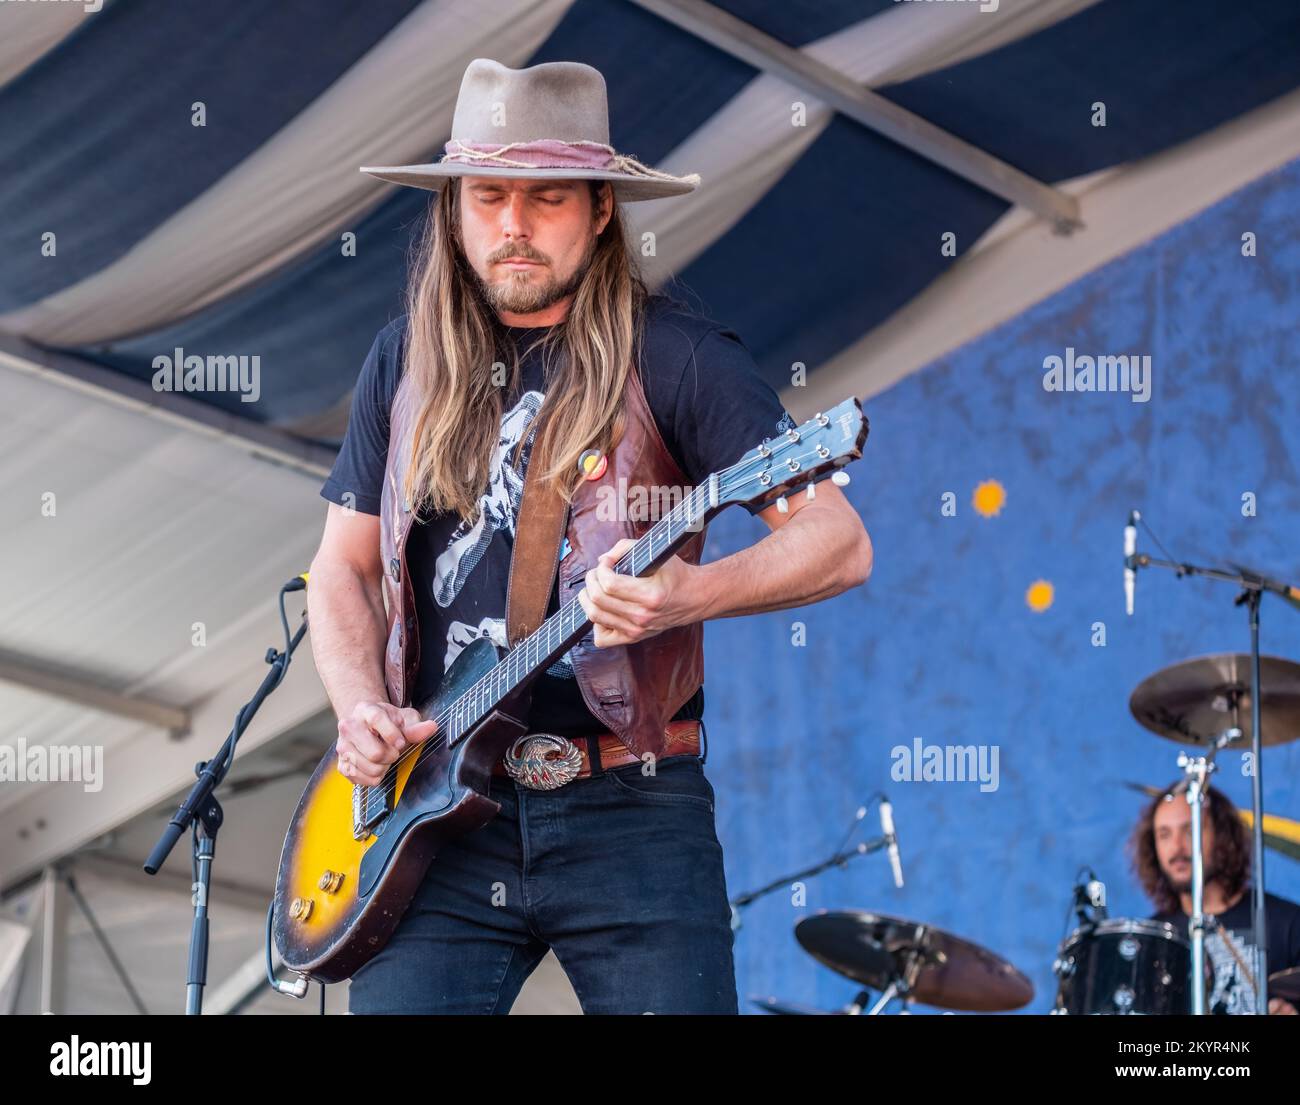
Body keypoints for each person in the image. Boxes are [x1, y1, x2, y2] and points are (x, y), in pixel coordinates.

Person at [307, 58, 873, 1014]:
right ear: (454, 210)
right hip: (431, 815)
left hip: (631, 805)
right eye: (487, 197)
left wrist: (692, 593)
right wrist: (360, 702)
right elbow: (341, 569)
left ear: (603, 208)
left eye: (548, 198)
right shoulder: (404, 360)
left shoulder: (682, 356)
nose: (514, 225)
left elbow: (839, 538)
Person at [1129, 783, 1300, 1014]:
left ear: (1223, 836)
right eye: (1164, 835)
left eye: (1190, 830)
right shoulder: (1151, 942)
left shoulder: (1288, 924)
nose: (1177, 847)